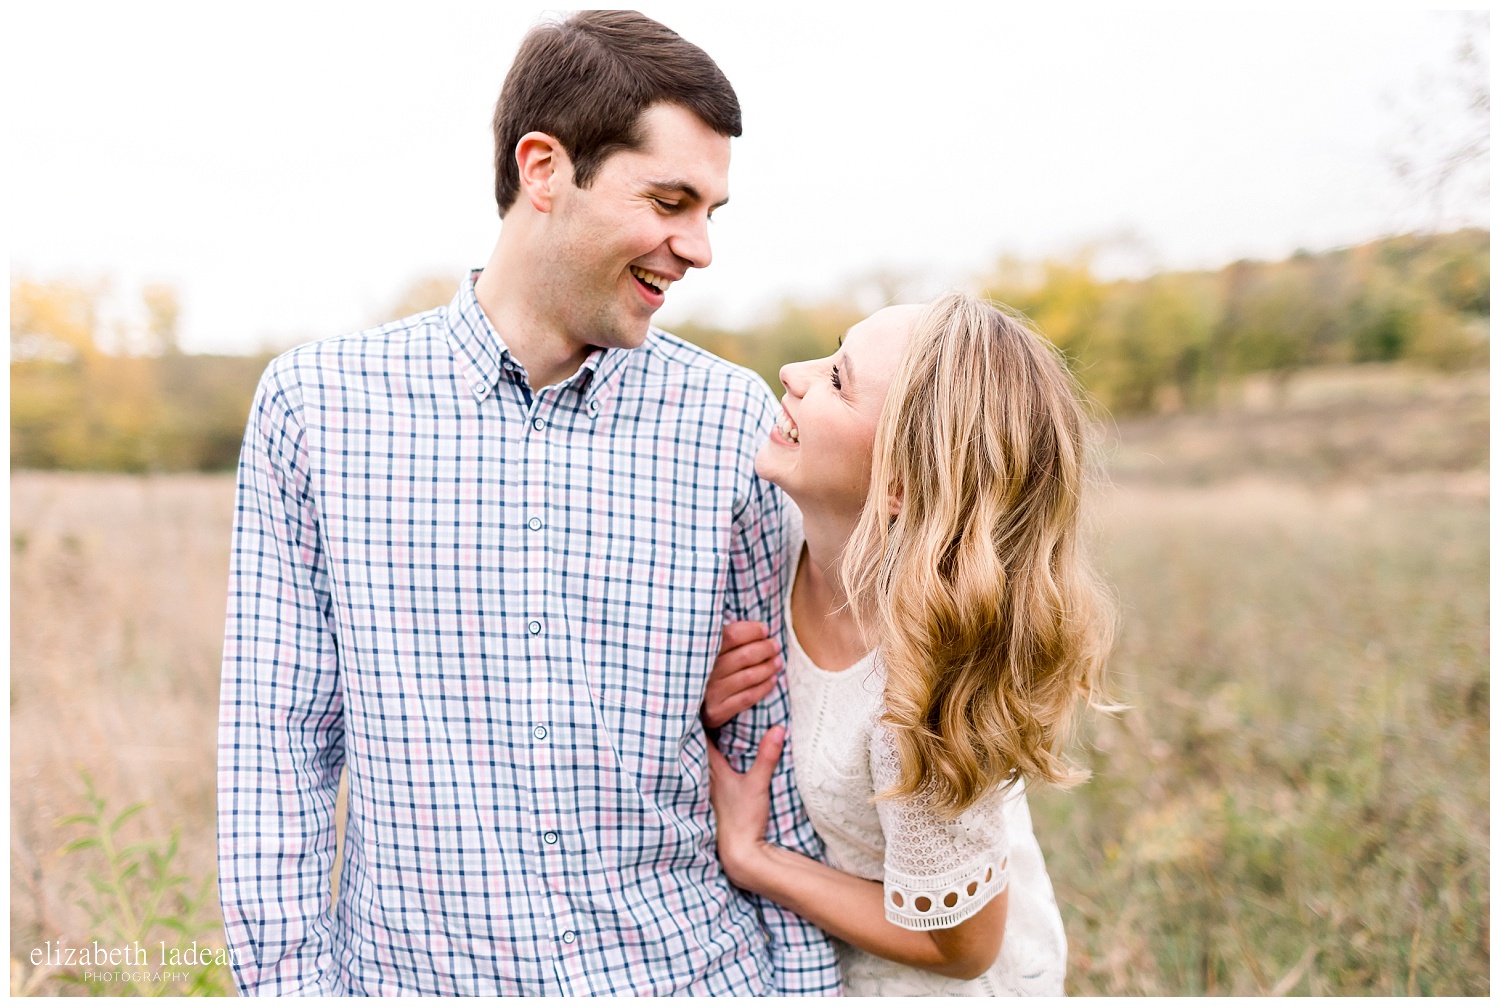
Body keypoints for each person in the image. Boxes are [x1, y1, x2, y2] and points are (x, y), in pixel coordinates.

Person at [216, 11, 839, 995]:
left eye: (713, 210)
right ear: (544, 169)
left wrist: (801, 988)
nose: (700, 246)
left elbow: (777, 745)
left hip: (693, 975)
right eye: (671, 200)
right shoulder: (320, 409)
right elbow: (278, 746)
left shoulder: (731, 418)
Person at [702, 294, 1115, 995]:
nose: (793, 372)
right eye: (832, 353)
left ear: (899, 482)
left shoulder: (915, 690)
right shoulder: (774, 543)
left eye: (838, 380)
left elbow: (962, 945)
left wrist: (754, 856)